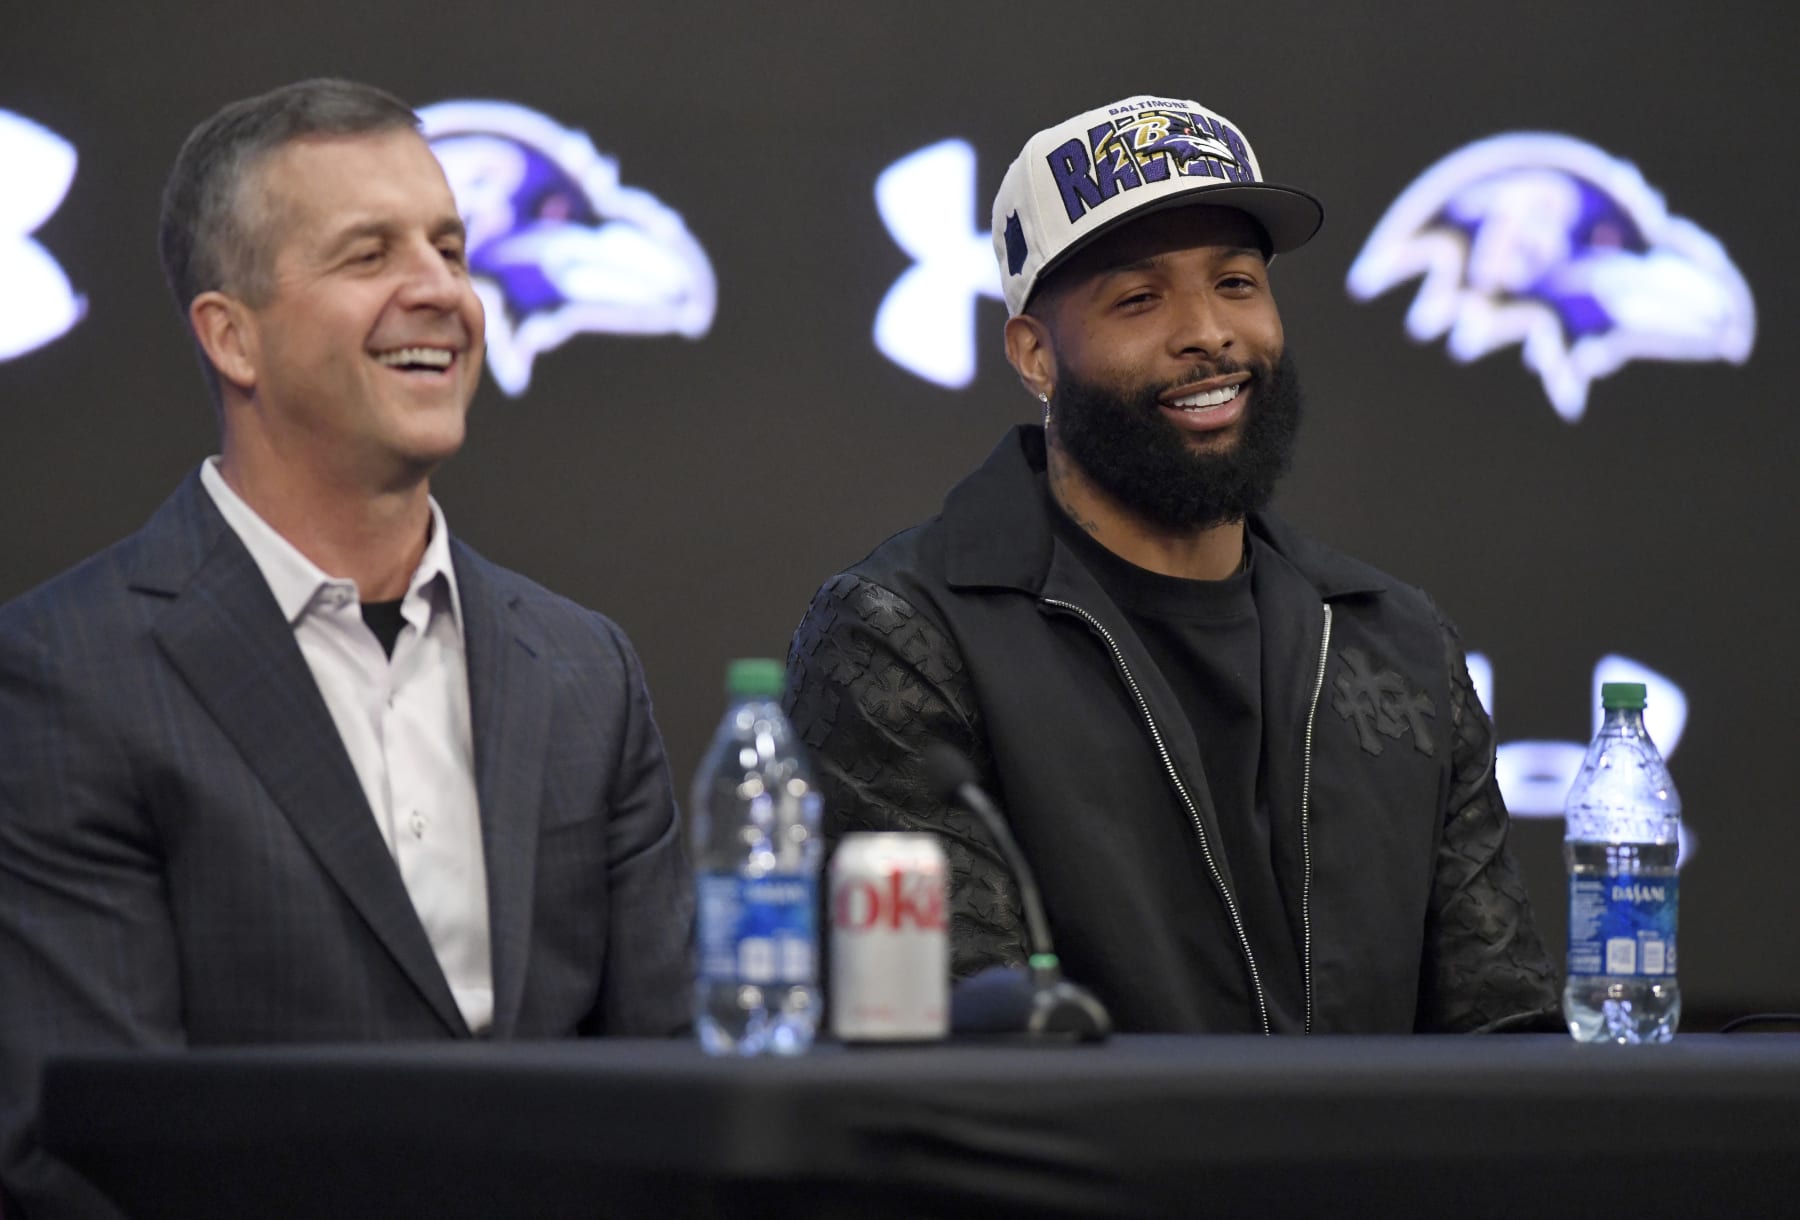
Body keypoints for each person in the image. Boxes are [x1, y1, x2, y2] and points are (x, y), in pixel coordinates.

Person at [0, 79, 693, 1217]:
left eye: (450, 246)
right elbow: (78, 1154)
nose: (441, 290)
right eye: (369, 254)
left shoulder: (583, 670)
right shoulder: (62, 675)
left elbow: (679, 1095)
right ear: (233, 334)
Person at [785, 94, 1559, 1036]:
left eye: (1236, 283)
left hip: (1378, 1181)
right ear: (1035, 354)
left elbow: (1507, 1035)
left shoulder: (1392, 639)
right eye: (1140, 299)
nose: (1208, 332)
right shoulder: (905, 633)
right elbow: (963, 1049)